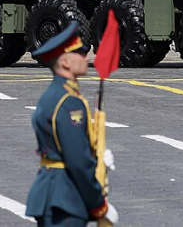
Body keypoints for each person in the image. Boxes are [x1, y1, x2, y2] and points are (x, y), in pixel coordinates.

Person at [25, 20, 118, 227]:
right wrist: (99, 204)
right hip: (66, 197)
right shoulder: (69, 102)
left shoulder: (52, 95)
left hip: (53, 192)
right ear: (66, 62)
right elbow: (77, 160)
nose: (86, 57)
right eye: (80, 53)